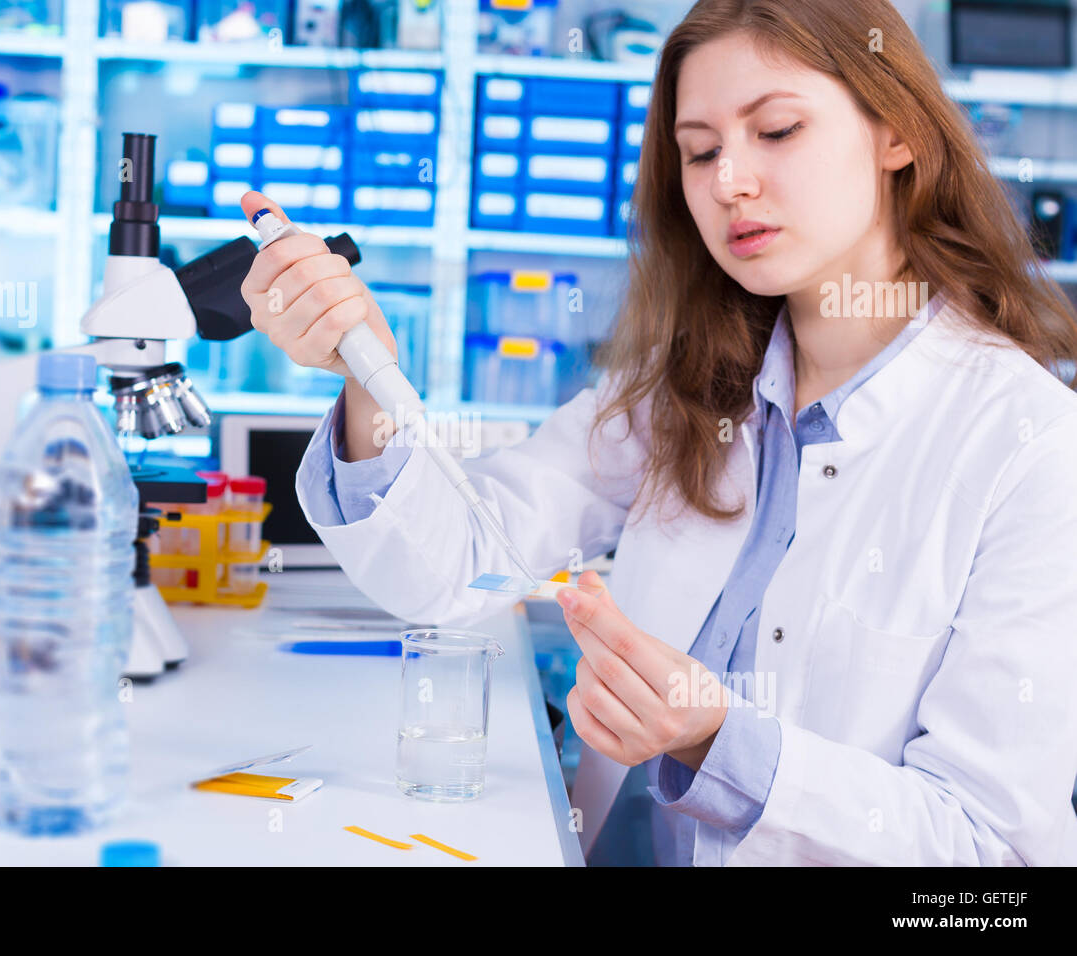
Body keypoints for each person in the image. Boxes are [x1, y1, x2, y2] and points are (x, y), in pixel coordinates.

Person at [237, 0, 1077, 865]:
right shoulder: (687, 386)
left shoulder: (1030, 446)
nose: (728, 182)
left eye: (778, 130)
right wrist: (367, 373)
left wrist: (721, 739)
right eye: (701, 150)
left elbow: (994, 861)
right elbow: (456, 562)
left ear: (897, 133)